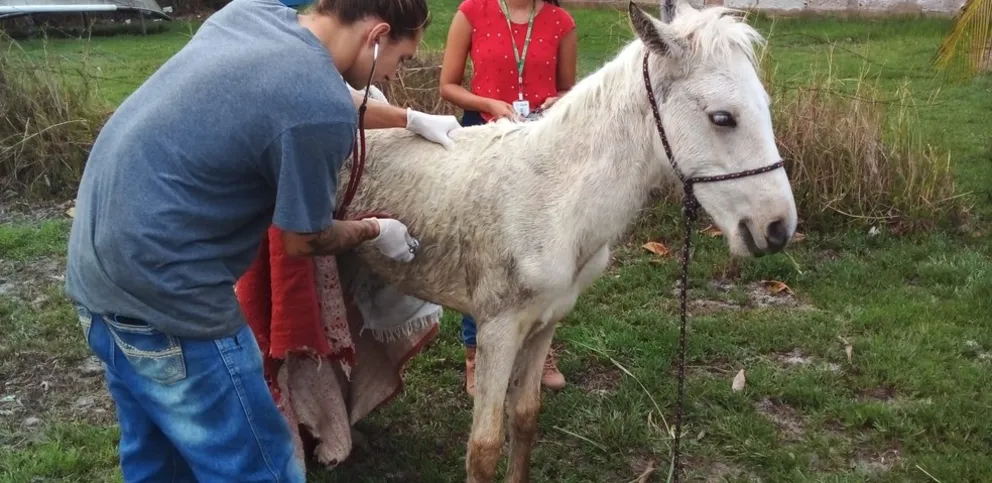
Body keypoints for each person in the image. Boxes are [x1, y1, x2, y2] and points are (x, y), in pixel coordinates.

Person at [64, 0, 458, 480]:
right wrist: (378, 229)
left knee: (159, 459)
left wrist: (407, 118)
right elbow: (304, 240)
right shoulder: (318, 108)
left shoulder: (248, 16)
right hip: (169, 297)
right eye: (402, 58)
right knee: (257, 467)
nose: (396, 74)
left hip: (96, 272)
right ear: (376, 37)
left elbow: (290, 94)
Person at [439, 0, 578, 396]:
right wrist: (487, 104)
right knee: (482, 251)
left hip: (543, 147)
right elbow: (448, 85)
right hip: (485, 143)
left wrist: (559, 101)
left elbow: (569, 87)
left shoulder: (561, 22)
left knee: (543, 248)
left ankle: (539, 349)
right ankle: (476, 355)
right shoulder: (472, 12)